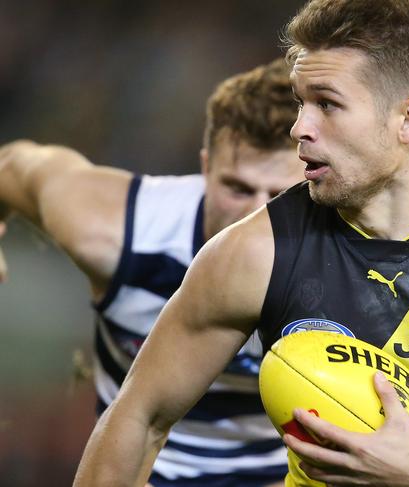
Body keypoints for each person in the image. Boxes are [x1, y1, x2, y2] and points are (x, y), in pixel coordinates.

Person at [71, 0, 409, 485]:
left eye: (326, 104)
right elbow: (139, 417)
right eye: (299, 101)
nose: (298, 127)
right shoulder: (255, 253)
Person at [0, 58, 304, 487]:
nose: (256, 212)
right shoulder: (117, 230)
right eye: (236, 188)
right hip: (139, 468)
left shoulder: (349, 257)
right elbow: (14, 165)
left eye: (281, 194)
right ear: (203, 168)